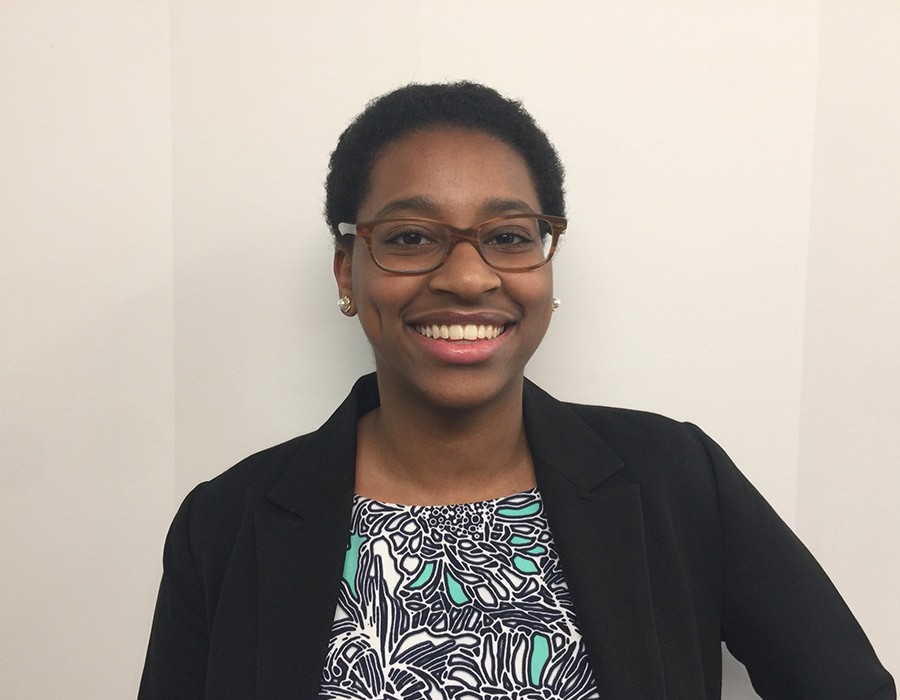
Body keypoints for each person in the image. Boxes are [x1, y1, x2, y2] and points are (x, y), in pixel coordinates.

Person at [139, 82, 895, 699]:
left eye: (508, 235)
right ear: (347, 271)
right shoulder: (227, 524)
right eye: (408, 237)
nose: (468, 277)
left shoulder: (676, 477)